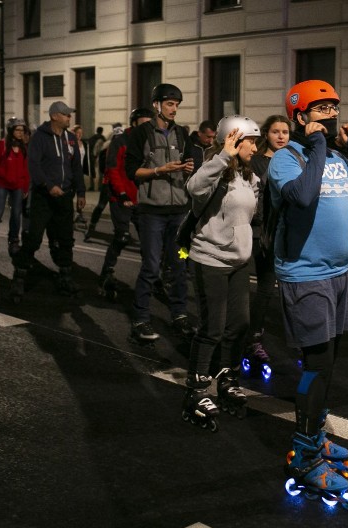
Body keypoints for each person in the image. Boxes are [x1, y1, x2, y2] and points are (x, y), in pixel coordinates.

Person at [268, 80, 348, 506]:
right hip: (305, 275)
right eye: (321, 110)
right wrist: (317, 146)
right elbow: (300, 198)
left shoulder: (335, 156)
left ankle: (316, 434)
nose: (331, 115)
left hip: (339, 274)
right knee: (316, 364)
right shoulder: (286, 158)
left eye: (335, 108)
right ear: (300, 117)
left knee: (330, 362)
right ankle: (303, 453)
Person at [182, 116, 260, 428]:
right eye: (250, 141)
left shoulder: (248, 176)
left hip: (238, 262)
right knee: (212, 327)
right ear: (233, 140)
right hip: (210, 258)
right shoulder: (216, 170)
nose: (255, 146)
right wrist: (223, 155)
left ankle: (226, 378)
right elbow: (194, 187)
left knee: (239, 324)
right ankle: (197, 390)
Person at [124, 83, 194, 343]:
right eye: (169, 104)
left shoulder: (183, 134)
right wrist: (159, 170)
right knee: (152, 266)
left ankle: (180, 314)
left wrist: (189, 168)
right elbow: (131, 171)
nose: (174, 109)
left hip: (179, 212)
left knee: (179, 263)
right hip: (151, 212)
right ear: (157, 105)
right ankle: (140, 318)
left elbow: (190, 164)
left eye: (177, 105)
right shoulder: (141, 133)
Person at [11, 101, 86, 302]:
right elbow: (34, 165)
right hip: (44, 198)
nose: (69, 118)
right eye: (66, 115)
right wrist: (48, 185)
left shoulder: (70, 139)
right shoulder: (39, 138)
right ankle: (19, 275)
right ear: (55, 116)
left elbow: (77, 167)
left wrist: (81, 192)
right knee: (34, 237)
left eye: (69, 115)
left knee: (65, 238)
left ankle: (65, 276)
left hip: (64, 197)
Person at [243, 114, 291, 376]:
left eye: (285, 132)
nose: (281, 136)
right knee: (260, 287)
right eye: (276, 132)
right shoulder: (258, 162)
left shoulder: (295, 160)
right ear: (266, 135)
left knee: (280, 288)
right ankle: (249, 339)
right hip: (259, 232)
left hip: (286, 232)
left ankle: (256, 337)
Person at [94, 109, 154, 299]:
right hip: (121, 197)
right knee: (122, 236)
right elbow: (112, 169)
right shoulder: (121, 141)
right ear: (134, 123)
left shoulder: (151, 142)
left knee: (149, 241)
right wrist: (121, 193)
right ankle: (107, 271)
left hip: (143, 198)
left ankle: (151, 276)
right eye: (143, 123)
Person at [0, 117, 30, 256]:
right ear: (11, 131)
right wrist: (5, 175)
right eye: (17, 130)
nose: (20, 133)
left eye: (22, 130)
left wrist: (25, 186)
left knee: (16, 214)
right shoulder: (2, 145)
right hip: (2, 184)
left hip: (17, 186)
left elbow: (26, 168)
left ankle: (13, 241)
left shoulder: (24, 147)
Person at [87, 126, 106, 190]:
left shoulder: (92, 138)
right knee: (101, 172)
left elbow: (89, 146)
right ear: (102, 131)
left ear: (96, 131)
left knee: (92, 172)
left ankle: (92, 186)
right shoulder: (103, 138)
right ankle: (100, 186)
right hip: (101, 157)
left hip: (92, 156)